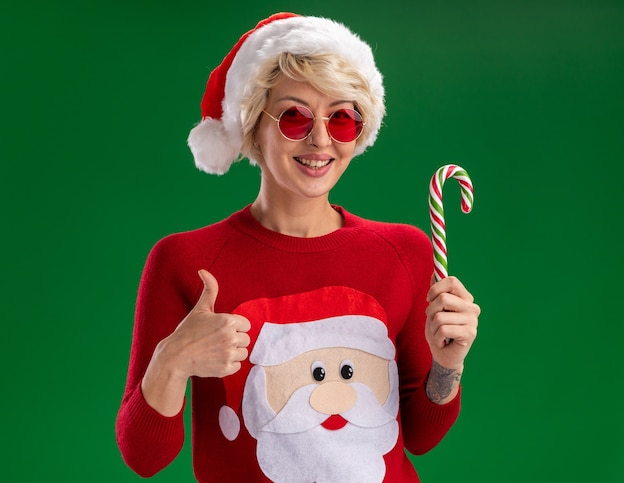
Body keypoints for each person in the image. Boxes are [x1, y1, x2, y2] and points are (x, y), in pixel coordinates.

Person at [116, 12, 480, 483]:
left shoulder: (403, 251)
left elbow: (419, 437)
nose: (321, 139)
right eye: (294, 116)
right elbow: (144, 457)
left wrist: (448, 365)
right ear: (253, 123)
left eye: (343, 118)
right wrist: (171, 361)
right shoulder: (185, 261)